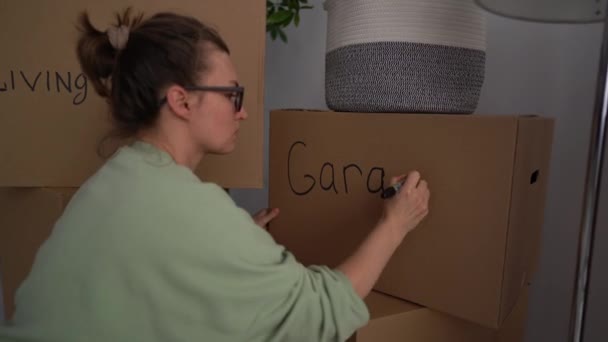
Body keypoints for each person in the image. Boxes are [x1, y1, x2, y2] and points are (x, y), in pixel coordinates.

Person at [0, 8, 430, 342]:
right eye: (232, 94)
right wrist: (395, 223)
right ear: (182, 101)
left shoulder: (113, 182)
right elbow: (319, 313)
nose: (243, 111)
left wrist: (227, 241)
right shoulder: (187, 206)